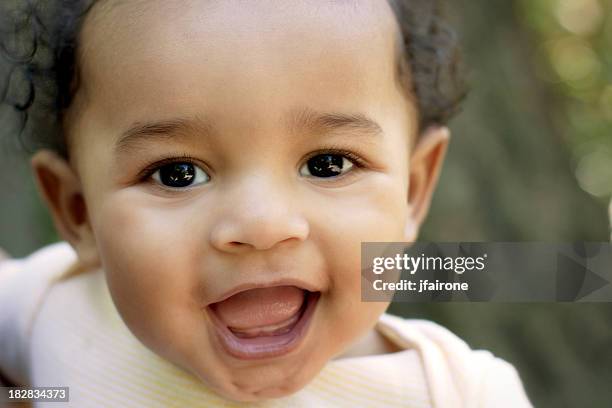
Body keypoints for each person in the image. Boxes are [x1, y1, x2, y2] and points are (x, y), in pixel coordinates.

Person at [0, 0, 532, 406]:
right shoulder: (53, 307)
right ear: (79, 213)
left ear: (413, 191)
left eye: (329, 164)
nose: (262, 224)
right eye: (177, 174)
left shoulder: (462, 392)